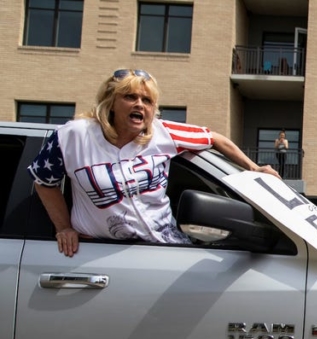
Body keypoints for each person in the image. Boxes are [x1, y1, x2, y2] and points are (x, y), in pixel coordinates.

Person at [27, 69, 280, 257]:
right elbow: (43, 182)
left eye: (147, 100)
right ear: (111, 102)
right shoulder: (72, 135)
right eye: (130, 96)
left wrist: (254, 168)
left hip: (165, 246)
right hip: (100, 253)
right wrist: (64, 228)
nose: (140, 104)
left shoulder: (163, 133)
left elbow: (214, 138)